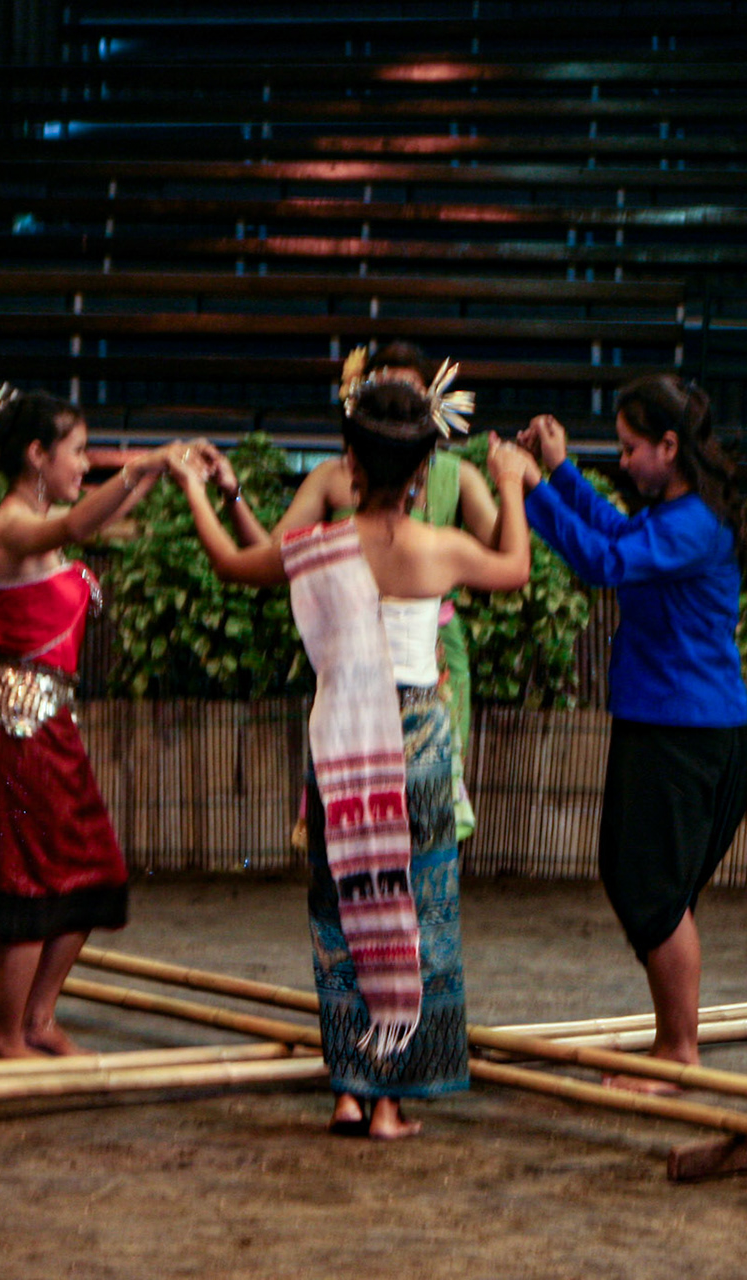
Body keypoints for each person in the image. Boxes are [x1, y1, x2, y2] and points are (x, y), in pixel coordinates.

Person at [167, 381, 533, 1138]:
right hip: (419, 741)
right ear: (426, 466)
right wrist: (506, 485)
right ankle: (389, 1099)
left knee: (340, 913)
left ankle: (348, 1085)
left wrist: (193, 492)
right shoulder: (443, 548)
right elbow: (516, 568)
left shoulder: (321, 549)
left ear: (351, 467)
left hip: (341, 744)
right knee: (413, 914)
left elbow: (237, 564)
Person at [510, 373, 747, 1092]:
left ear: (669, 446)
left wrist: (529, 490)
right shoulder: (678, 514)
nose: (622, 461)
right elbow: (617, 535)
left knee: (655, 893)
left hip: (684, 732)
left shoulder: (695, 525)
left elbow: (601, 560)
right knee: (644, 882)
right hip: (670, 724)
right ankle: (671, 1041)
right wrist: (556, 473)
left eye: (629, 447)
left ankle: (678, 1050)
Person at [0, 382, 190, 1058]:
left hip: (50, 728)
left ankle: (37, 1020)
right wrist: (144, 467)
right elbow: (77, 525)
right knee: (27, 880)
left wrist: (165, 467)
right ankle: (4, 1037)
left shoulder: (43, 518)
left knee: (93, 869)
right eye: (77, 452)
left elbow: (91, 513)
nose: (85, 465)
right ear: (37, 455)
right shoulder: (13, 523)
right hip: (15, 732)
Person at [211, 342, 497, 839]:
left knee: (426, 807)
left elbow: (504, 556)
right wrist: (232, 494)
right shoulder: (331, 477)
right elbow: (269, 555)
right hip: (353, 660)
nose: (393, 403)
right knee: (354, 811)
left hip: (435, 661)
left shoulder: (461, 478)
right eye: (379, 389)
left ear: (432, 401)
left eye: (406, 392)